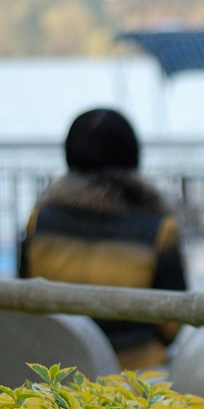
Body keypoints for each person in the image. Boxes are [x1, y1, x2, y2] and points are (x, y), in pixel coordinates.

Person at [18, 108, 187, 370]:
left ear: (70, 156)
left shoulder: (39, 221)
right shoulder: (160, 228)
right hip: (135, 379)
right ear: (133, 156)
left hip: (57, 373)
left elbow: (26, 304)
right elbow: (172, 324)